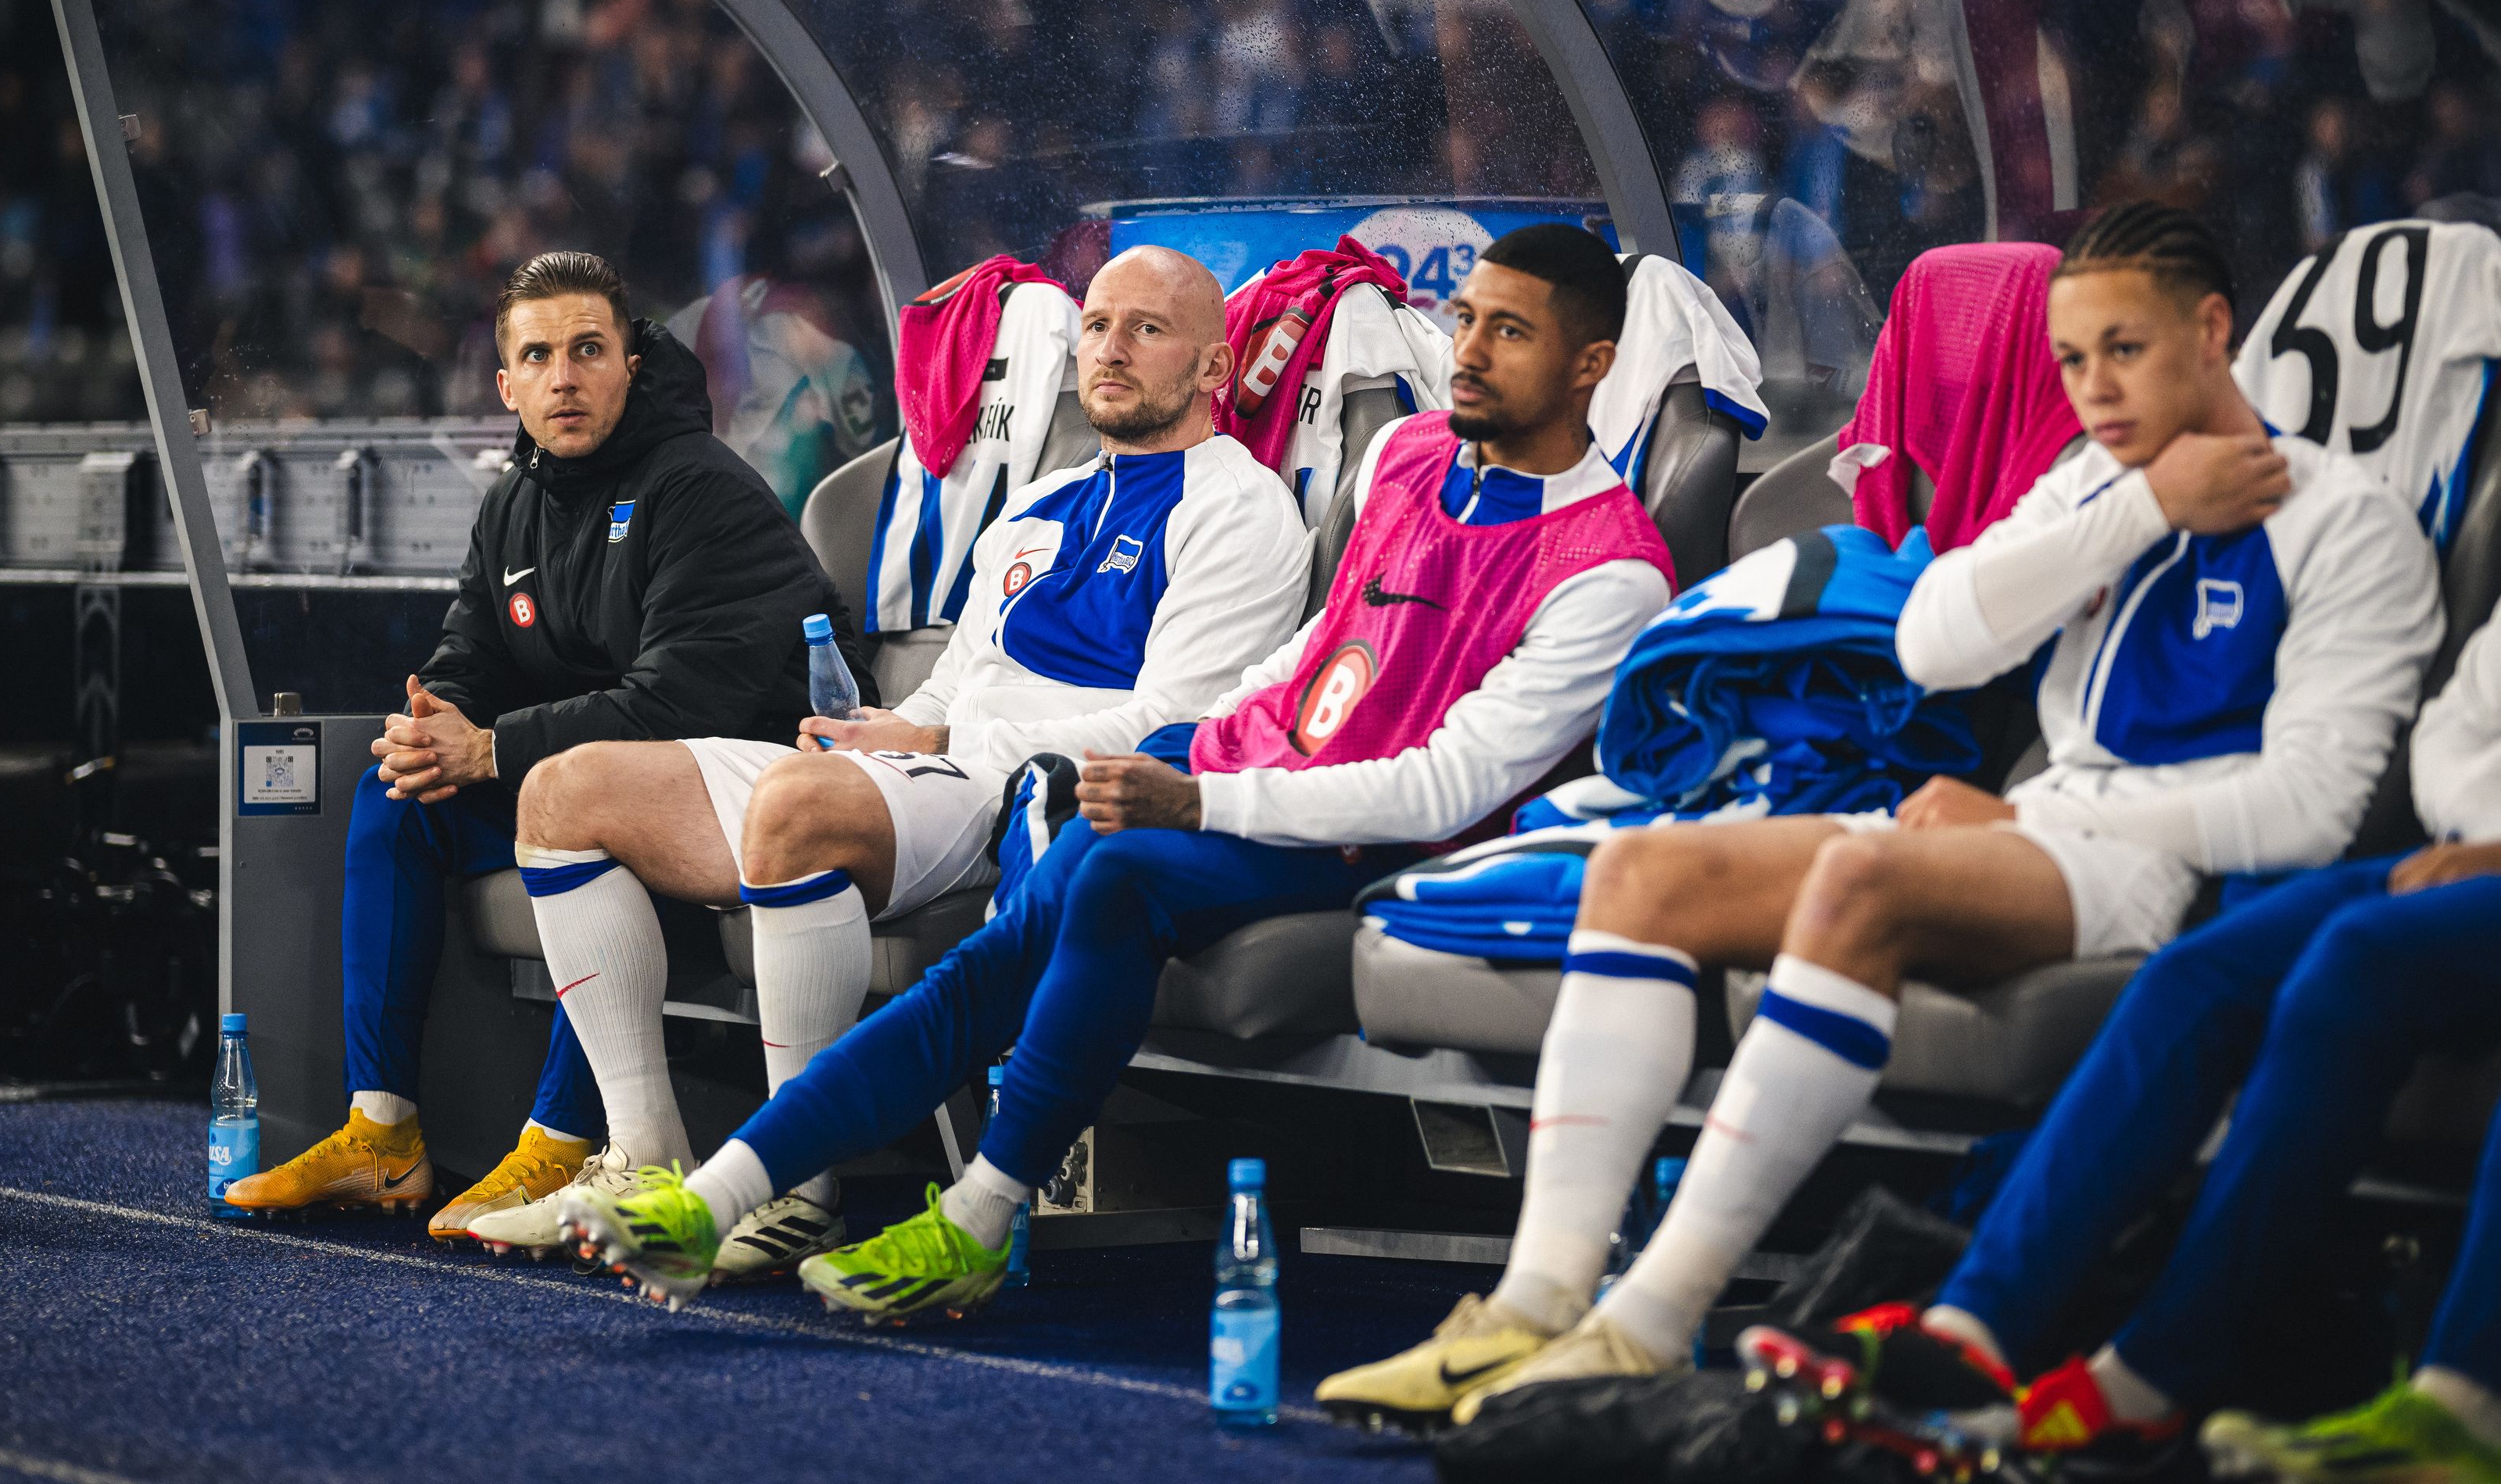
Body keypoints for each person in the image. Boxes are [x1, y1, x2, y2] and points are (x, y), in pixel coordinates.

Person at [1318, 202, 2446, 1429]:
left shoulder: (2344, 519)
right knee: (1642, 873)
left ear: (2214, 331)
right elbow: (1933, 642)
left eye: (2125, 350)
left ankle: (1645, 1326)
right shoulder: (2098, 486)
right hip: (2047, 829)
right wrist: (2143, 508)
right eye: (2073, 360)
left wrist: (2031, 826)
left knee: (1860, 881)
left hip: (2169, 867)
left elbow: (2312, 813)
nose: (2095, 389)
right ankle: (1534, 1305)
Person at [556, 223, 1682, 1321]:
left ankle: (976, 1216)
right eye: (1466, 320)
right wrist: (1198, 748)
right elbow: (1321, 645)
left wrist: (1199, 792)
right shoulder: (1409, 454)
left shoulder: (1611, 570)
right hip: (1245, 776)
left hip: (1378, 841)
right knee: (1008, 944)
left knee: (1115, 876)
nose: (1470, 352)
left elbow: (1446, 791)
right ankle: (719, 1198)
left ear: (1591, 364)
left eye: (1510, 333)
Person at [484, 245, 1308, 1272]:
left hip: (1028, 793)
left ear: (1215, 367)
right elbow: (953, 683)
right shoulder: (1038, 503)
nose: (1111, 349)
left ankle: (796, 1192)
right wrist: (881, 727)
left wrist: (934, 742)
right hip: (942, 765)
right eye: (1097, 326)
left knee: (799, 806)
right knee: (564, 790)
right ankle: (643, 1154)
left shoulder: (1240, 509)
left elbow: (1171, 729)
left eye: (1148, 329)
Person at [1736, 592, 2501, 1477]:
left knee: (2360, 955)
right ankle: (1974, 1334)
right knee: (2195, 975)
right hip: (2471, 852)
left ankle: (2444, 1403)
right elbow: (2459, 721)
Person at [221, 251, 871, 1243]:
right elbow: (470, 653)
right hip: (590, 780)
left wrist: (491, 750)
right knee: (397, 795)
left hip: (738, 810)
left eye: (587, 350)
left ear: (630, 365)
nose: (563, 378)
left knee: (604, 816)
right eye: (537, 356)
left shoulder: (702, 490)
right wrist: (436, 721)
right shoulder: (513, 502)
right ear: (506, 385)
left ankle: (563, 1139)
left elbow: (674, 706)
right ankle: (382, 1131)